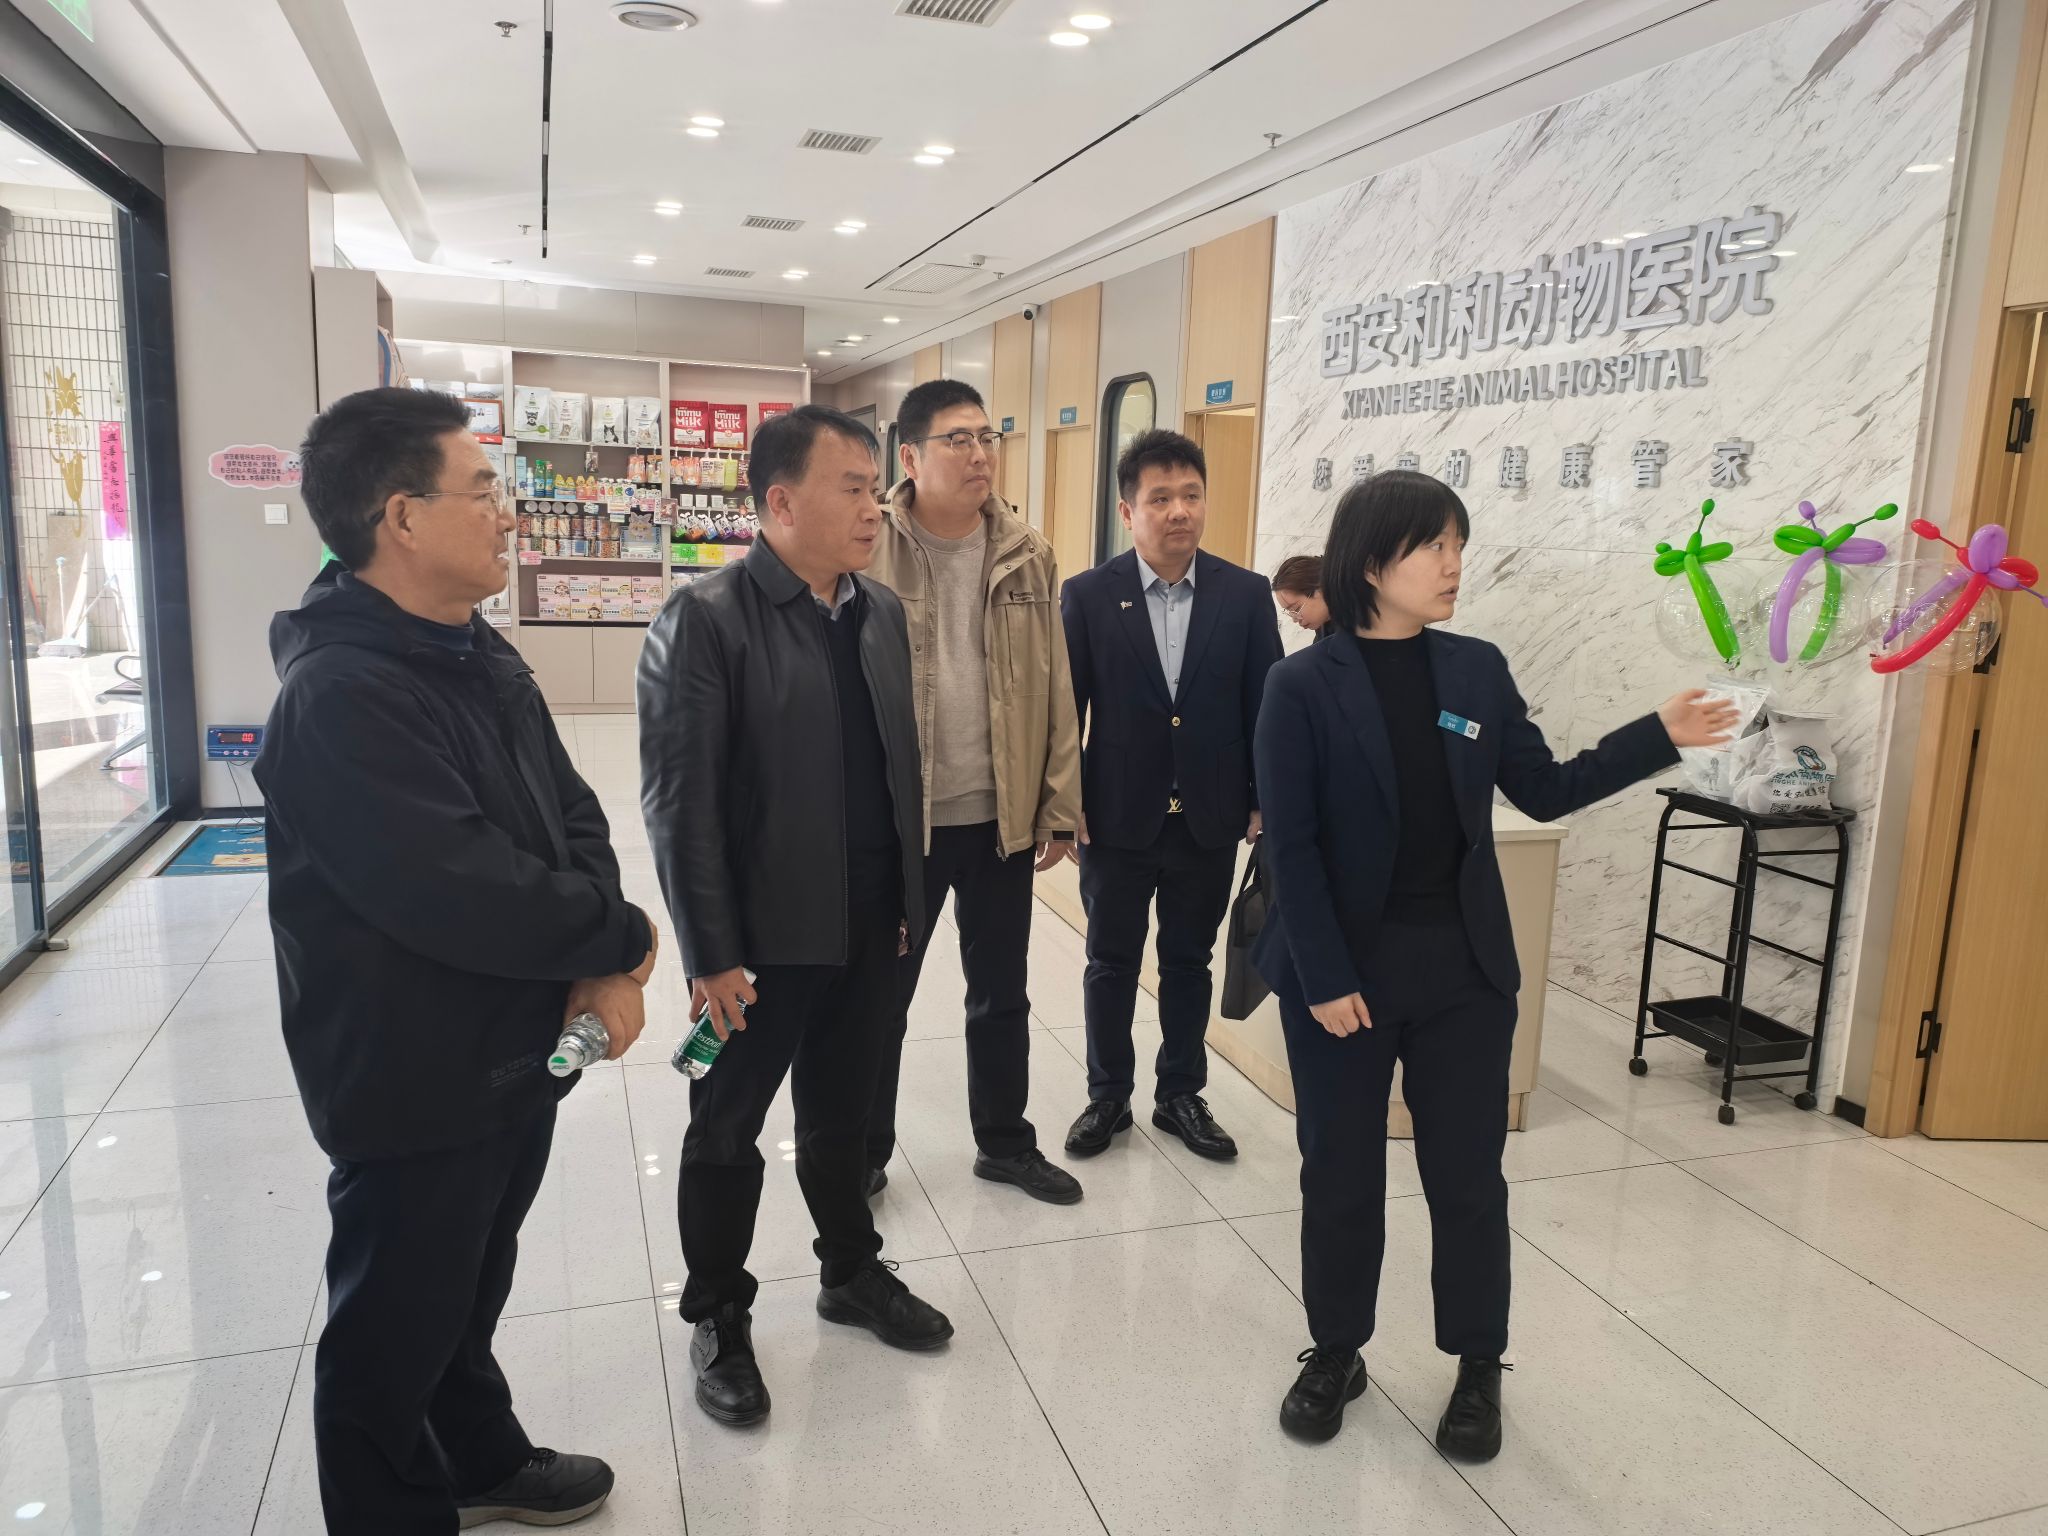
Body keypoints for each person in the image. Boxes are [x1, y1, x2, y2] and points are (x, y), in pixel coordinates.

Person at [1251, 470, 1739, 1455]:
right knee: (1339, 1174)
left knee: (1466, 1177)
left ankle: (1478, 1364)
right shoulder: (1300, 685)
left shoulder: (1473, 669)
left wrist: (1658, 735)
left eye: (1457, 545)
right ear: (1370, 561)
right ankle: (1336, 1348)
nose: (1453, 565)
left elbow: (1545, 788)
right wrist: (1327, 975)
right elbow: (1289, 847)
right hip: (1342, 977)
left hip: (1463, 972)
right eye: (1434, 545)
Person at [258, 387, 658, 1533]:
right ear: (402, 516)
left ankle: (476, 1456)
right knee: (390, 1330)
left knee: (468, 1283)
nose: (508, 512)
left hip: (509, 1053)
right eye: (482, 490)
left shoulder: (473, 648)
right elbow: (458, 888)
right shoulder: (340, 695)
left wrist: (599, 956)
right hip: (412, 1075)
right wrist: (621, 940)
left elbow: (569, 809)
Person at [638, 404, 952, 1432]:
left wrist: (904, 907)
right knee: (726, 1129)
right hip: (758, 943)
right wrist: (711, 955)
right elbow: (680, 805)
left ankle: (849, 1271)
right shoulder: (705, 620)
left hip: (867, 924)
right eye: (852, 488)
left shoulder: (878, 612)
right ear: (779, 503)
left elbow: (896, 774)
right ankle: (718, 1315)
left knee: (844, 1116)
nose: (874, 508)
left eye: (874, 488)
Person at [864, 379, 1084, 1207]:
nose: (979, 454)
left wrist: (1057, 805)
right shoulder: (869, 546)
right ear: (910, 456)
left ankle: (1005, 1143)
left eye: (986, 438)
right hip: (901, 824)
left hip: (999, 819)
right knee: (883, 1000)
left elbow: (1054, 685)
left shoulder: (1028, 550)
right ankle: (864, 1151)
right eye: (957, 439)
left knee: (1001, 995)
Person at [1059, 429, 1284, 1162]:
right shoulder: (1089, 595)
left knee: (1190, 962)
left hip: (1210, 819)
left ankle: (1181, 1093)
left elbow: (1267, 706)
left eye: (1191, 495)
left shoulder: (1244, 594)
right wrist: (1065, 800)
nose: (1179, 510)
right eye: (1160, 498)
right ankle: (1108, 1095)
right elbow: (1066, 710)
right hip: (1116, 817)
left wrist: (1262, 797)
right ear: (1129, 511)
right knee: (1111, 962)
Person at [1270, 553, 1333, 638]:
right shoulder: (1323, 629)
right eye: (1291, 613)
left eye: (1296, 609)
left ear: (1319, 588)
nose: (1295, 620)